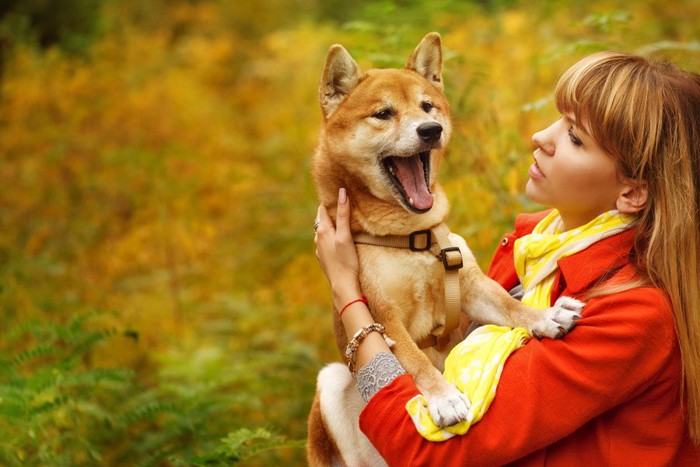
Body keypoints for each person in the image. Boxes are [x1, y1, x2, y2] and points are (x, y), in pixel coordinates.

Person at [314, 51, 700, 465]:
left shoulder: (632, 315)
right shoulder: (529, 249)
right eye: (558, 118)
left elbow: (425, 455)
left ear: (633, 192)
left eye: (574, 137)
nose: (540, 137)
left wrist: (347, 294)